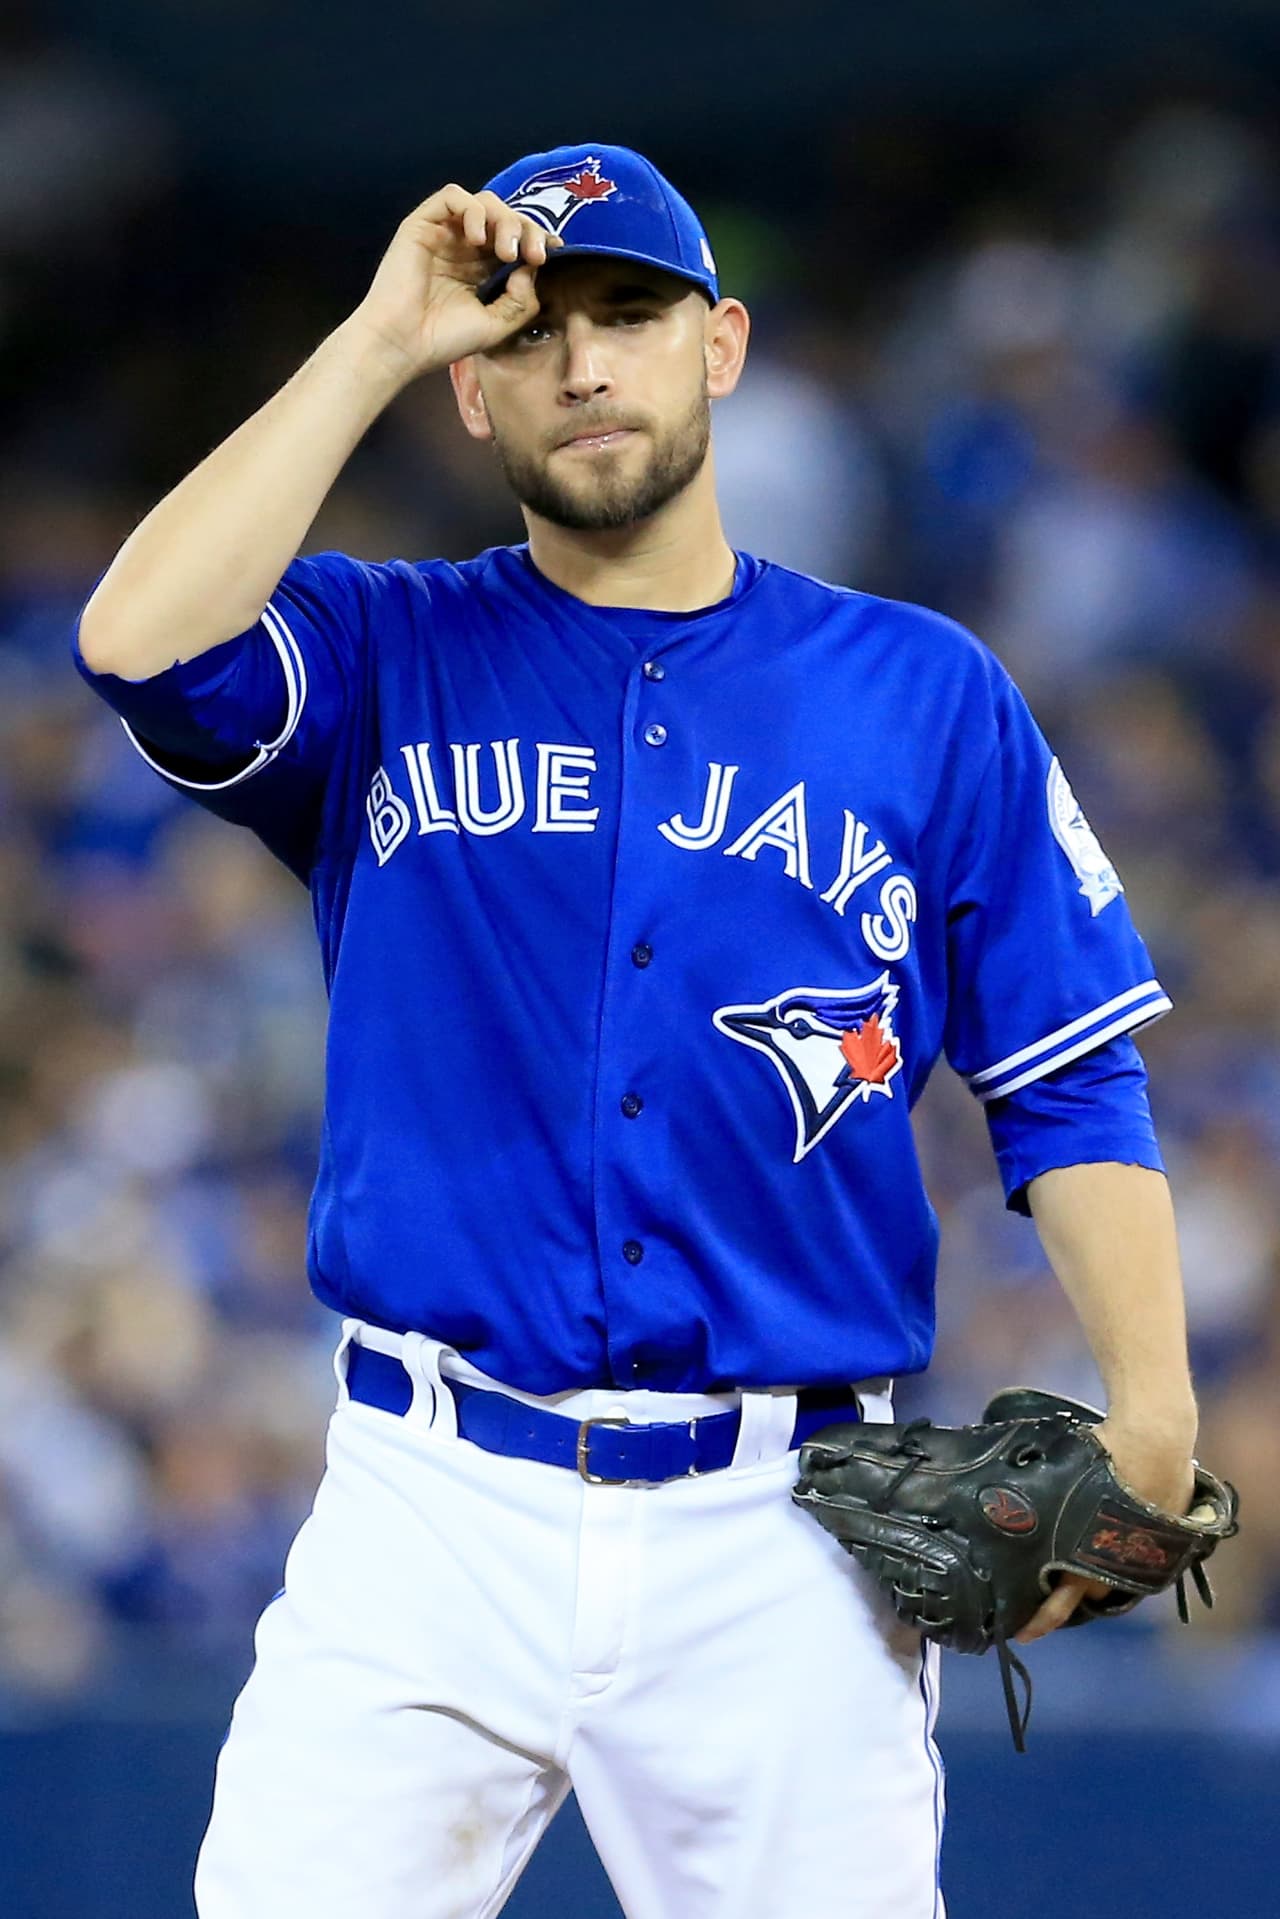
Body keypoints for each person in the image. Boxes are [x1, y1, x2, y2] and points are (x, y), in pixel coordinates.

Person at [72, 143, 1200, 1919]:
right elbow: (137, 641)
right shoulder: (383, 650)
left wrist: (1153, 1405)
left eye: (631, 316)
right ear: (471, 388)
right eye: (530, 331)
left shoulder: (923, 693)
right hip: (426, 1499)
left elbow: (1070, 1075)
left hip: (785, 1536)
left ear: (720, 347)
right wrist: (373, 337)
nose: (583, 363)